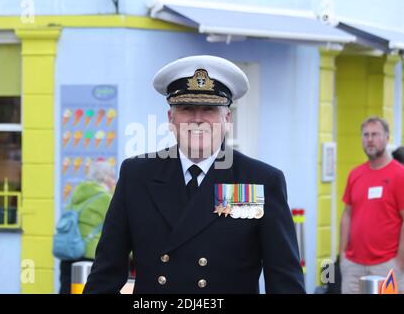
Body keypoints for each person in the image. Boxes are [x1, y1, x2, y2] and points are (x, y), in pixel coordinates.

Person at [84, 55, 305, 294]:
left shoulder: (259, 181)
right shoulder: (137, 175)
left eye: (209, 110)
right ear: (171, 118)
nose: (198, 120)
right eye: (186, 109)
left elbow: (284, 281)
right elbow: (106, 272)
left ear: (227, 119)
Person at [340, 117, 404, 294]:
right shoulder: (355, 174)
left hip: (386, 266)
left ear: (387, 138)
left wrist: (400, 261)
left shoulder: (399, 175)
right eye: (365, 135)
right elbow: (347, 214)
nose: (369, 139)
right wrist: (342, 255)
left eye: (375, 134)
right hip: (353, 266)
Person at [58, 161, 114, 294]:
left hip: (69, 252)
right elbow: (116, 230)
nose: (114, 181)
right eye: (112, 177)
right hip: (90, 256)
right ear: (105, 178)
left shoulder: (78, 192)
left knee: (67, 289)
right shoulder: (106, 198)